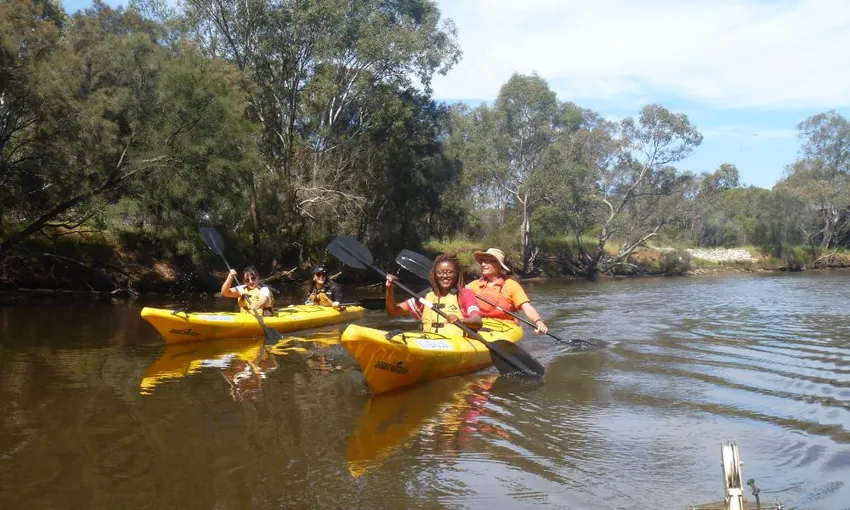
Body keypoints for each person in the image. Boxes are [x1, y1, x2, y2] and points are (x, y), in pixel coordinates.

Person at [385, 254, 482, 335]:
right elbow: (393, 311)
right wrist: (389, 289)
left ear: (456, 274)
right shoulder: (426, 296)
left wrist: (460, 321)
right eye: (440, 272)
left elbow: (477, 321)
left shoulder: (464, 294)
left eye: (450, 272)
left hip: (456, 342)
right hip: (429, 340)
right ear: (434, 275)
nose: (445, 276)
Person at [466, 248, 549, 334]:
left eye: (488, 261)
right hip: (479, 324)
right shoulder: (473, 285)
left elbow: (527, 307)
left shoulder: (511, 285)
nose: (483, 264)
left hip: (505, 327)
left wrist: (538, 322)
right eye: (482, 261)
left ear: (499, 265)